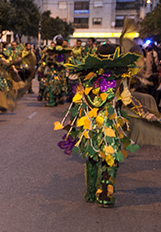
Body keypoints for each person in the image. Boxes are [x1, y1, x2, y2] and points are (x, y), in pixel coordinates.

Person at [54, 43, 141, 207]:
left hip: (90, 127)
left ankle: (90, 193)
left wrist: (72, 125)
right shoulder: (119, 79)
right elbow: (128, 100)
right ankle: (105, 196)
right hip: (109, 128)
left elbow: (78, 103)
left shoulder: (86, 78)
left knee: (92, 158)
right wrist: (145, 113)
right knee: (110, 160)